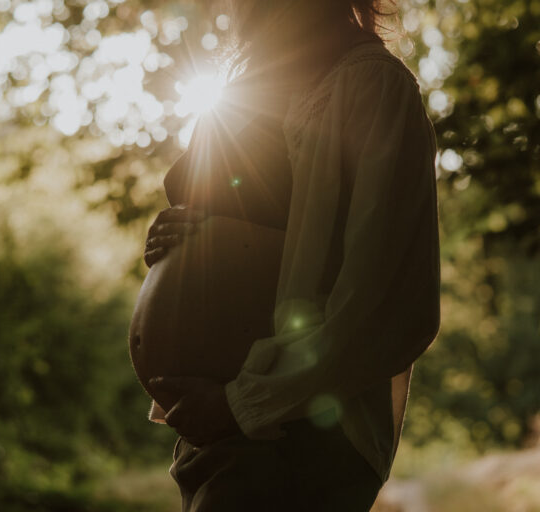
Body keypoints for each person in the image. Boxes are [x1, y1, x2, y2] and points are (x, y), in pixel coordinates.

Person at [142, 0, 441, 510]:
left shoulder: (372, 86)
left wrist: (242, 404)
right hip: (220, 433)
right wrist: (179, 238)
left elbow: (386, 300)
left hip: (296, 435)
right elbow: (237, 215)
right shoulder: (245, 87)